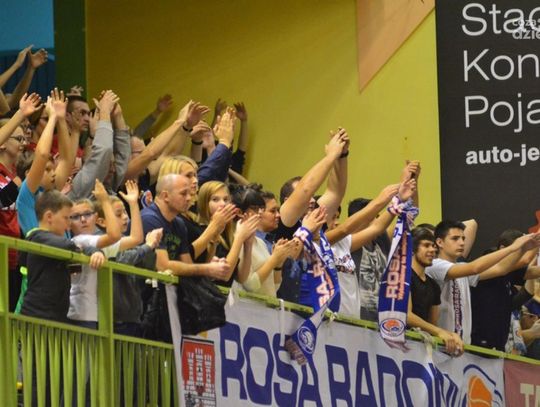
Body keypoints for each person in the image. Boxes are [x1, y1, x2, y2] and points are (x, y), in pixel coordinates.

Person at [426, 220, 540, 344]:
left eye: (463, 238)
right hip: (442, 343)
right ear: (439, 242)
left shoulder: (462, 268)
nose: (462, 242)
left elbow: (500, 268)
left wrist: (523, 249)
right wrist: (514, 247)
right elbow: (475, 267)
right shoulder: (434, 265)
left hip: (462, 345)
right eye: (455, 238)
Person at [20, 190, 105, 322]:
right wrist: (85, 249)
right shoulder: (38, 237)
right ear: (49, 216)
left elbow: (74, 245)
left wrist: (97, 252)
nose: (68, 225)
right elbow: (69, 245)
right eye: (66, 218)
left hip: (54, 317)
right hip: (36, 317)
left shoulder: (58, 242)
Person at [68, 180, 142, 328]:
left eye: (87, 214)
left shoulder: (98, 242)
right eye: (75, 216)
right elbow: (114, 235)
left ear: (96, 218)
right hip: (79, 313)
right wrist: (104, 200)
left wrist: (133, 204)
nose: (83, 220)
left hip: (94, 315)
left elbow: (136, 238)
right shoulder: (79, 240)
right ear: (69, 223)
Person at [471, 229, 539, 351]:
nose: (521, 254)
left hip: (497, 345)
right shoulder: (489, 263)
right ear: (502, 248)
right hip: (478, 341)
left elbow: (530, 272)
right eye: (520, 250)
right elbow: (525, 260)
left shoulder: (509, 272)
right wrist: (536, 241)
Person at [407, 227, 464, 356]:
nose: (432, 250)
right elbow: (406, 316)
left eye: (433, 246)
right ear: (412, 249)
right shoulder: (403, 276)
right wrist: (440, 332)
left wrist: (451, 335)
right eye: (426, 245)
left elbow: (432, 325)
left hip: (419, 350)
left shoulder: (433, 286)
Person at [233, 185, 296, 296]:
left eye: (261, 208)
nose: (260, 213)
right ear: (240, 212)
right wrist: (274, 258)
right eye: (255, 209)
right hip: (246, 305)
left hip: (267, 305)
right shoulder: (236, 241)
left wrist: (278, 263)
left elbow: (274, 286)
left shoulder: (260, 242)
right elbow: (250, 285)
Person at [197, 181, 259, 286]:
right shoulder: (201, 231)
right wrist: (240, 237)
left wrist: (247, 244)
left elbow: (242, 278)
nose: (223, 204)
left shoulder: (228, 234)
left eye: (226, 199)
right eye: (215, 199)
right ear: (204, 204)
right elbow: (224, 275)